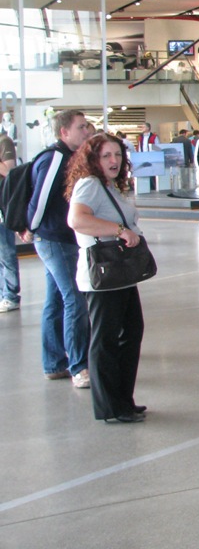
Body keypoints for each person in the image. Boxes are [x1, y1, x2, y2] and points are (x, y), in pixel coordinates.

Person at [65, 134, 147, 423]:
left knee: (131, 333)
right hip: (103, 275)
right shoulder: (90, 185)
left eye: (118, 155)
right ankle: (110, 406)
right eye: (106, 156)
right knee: (106, 340)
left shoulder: (108, 185)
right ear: (93, 160)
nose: (114, 161)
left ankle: (123, 399)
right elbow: (77, 220)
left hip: (120, 273)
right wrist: (119, 230)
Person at [25, 109, 93, 387]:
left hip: (60, 239)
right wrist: (32, 227)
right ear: (64, 132)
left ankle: (54, 363)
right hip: (55, 239)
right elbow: (40, 198)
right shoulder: (55, 158)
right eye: (81, 127)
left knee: (55, 301)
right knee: (75, 299)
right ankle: (79, 366)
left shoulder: (72, 157)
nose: (87, 131)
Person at [0, 130, 20, 312]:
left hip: (2, 209)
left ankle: (10, 295)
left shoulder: (4, 141)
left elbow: (9, 171)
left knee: (6, 253)